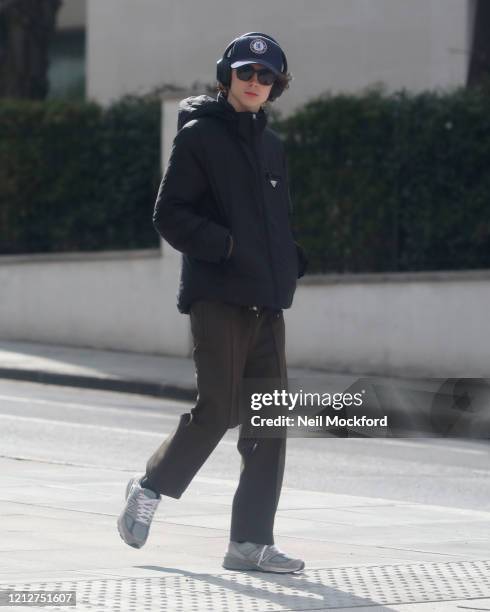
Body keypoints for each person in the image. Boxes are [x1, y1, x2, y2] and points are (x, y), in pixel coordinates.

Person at [117, 32, 308, 573]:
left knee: (269, 423)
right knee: (219, 410)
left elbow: (271, 222)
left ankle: (250, 543)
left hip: (267, 302)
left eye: (265, 76)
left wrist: (288, 258)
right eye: (246, 72)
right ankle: (150, 486)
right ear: (227, 76)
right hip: (219, 298)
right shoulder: (200, 136)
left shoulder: (273, 147)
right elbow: (170, 214)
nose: (254, 82)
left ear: (276, 86)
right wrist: (224, 248)